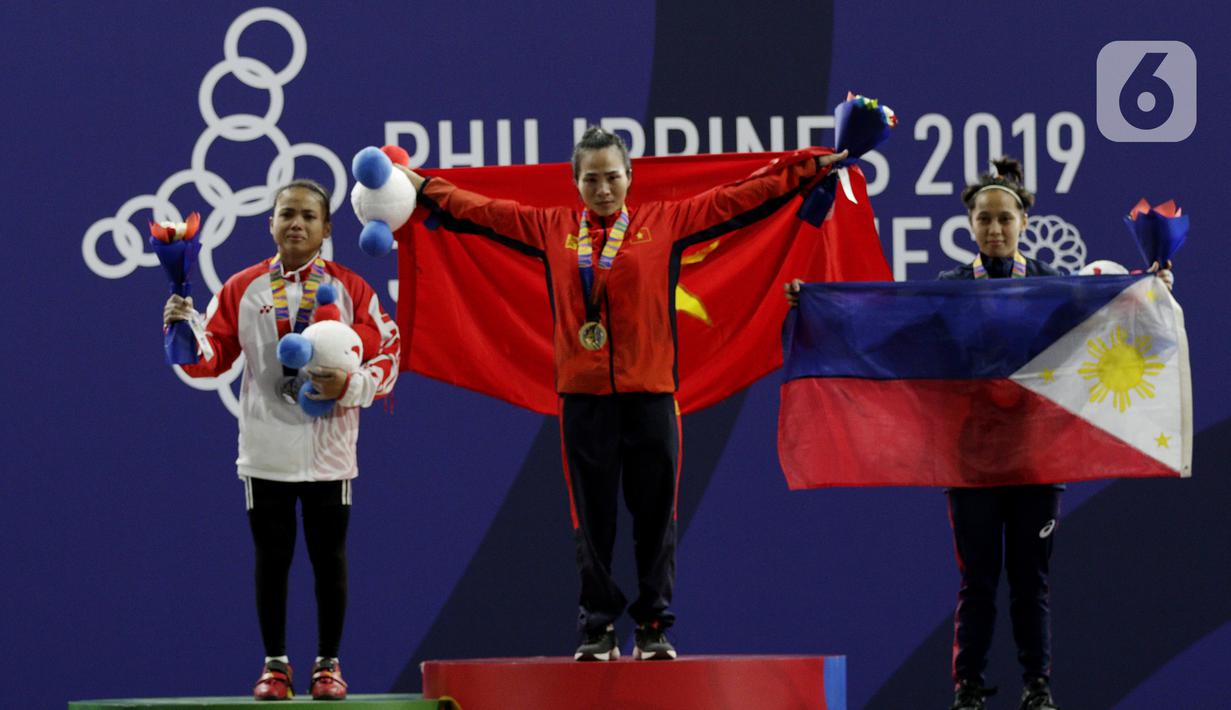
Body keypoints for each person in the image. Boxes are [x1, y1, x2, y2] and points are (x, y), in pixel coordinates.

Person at [395, 126, 846, 661]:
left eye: (612, 177)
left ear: (630, 177)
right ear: (575, 183)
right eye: (591, 179)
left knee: (655, 514)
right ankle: (598, 626)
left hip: (651, 394)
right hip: (582, 398)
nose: (603, 189)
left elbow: (738, 198)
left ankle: (653, 625)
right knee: (593, 517)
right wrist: (422, 187)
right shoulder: (551, 228)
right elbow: (483, 212)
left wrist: (808, 170)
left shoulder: (667, 222)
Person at [163, 179, 400, 700]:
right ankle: (275, 666)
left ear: (326, 228)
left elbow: (389, 352)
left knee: (328, 559)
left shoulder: (353, 289)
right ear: (269, 223)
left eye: (309, 216)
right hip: (265, 449)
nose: (297, 223)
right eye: (287, 213)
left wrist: (352, 386)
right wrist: (182, 329)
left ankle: (328, 665)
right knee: (272, 560)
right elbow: (211, 358)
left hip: (328, 451)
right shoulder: (243, 288)